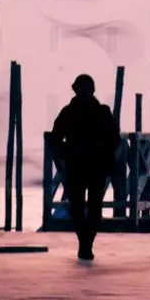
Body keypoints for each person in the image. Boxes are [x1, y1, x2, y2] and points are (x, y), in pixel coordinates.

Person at [51, 73, 121, 260]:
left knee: (80, 206)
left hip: (80, 164)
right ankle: (86, 241)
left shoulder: (70, 112)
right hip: (91, 164)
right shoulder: (99, 112)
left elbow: (55, 139)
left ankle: (85, 241)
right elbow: (115, 138)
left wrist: (66, 152)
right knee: (89, 206)